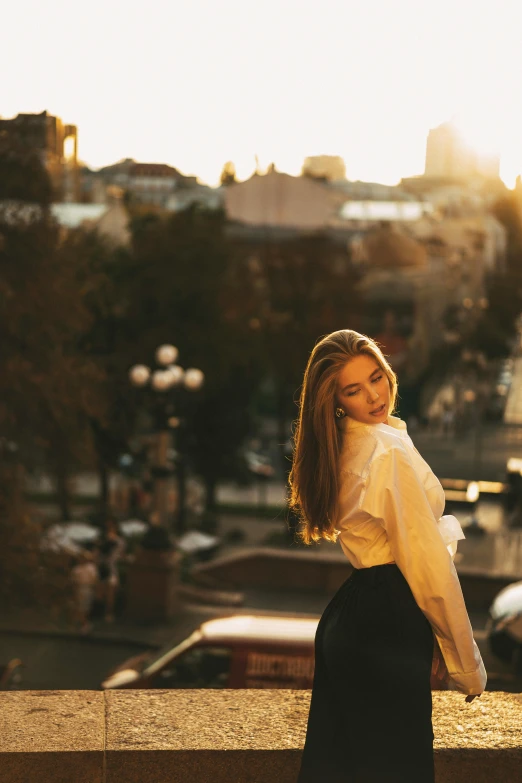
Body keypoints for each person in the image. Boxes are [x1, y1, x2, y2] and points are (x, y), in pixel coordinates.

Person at [289, 329, 486, 783]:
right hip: (388, 620)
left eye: (376, 378)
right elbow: (428, 565)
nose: (375, 396)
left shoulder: (340, 444)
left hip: (352, 615)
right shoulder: (385, 452)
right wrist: (466, 665)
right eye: (354, 390)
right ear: (335, 401)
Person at [95, 516, 125, 623]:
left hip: (111, 568)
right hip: (103, 568)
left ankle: (108, 613)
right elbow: (98, 553)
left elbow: (119, 554)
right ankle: (101, 612)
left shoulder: (118, 541)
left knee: (110, 591)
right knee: (101, 591)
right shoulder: (103, 540)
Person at [70, 550, 98, 634]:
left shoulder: (91, 568)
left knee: (85, 607)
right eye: (81, 557)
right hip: (79, 588)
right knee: (79, 607)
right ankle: (82, 625)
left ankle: (85, 624)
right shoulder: (76, 569)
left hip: (88, 588)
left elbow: (94, 580)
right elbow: (74, 581)